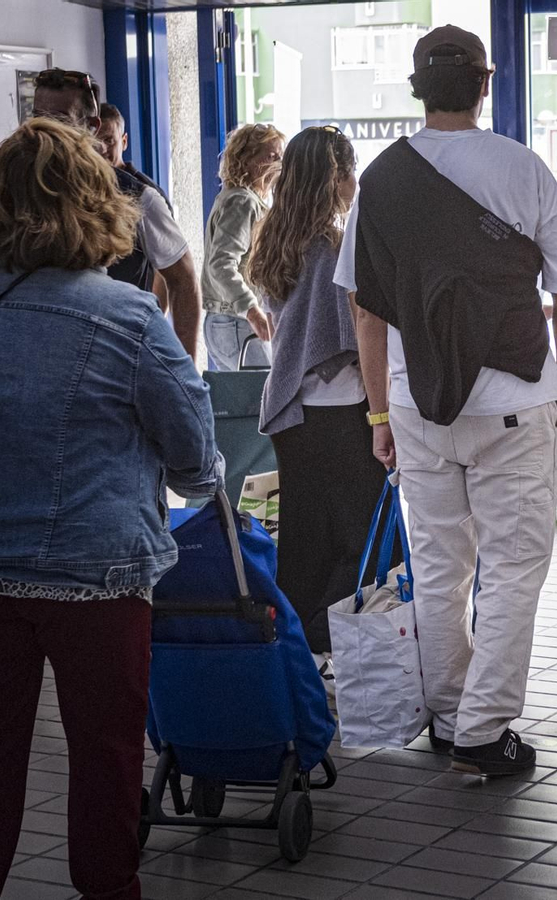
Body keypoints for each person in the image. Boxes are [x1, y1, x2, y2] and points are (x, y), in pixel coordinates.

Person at [0, 118, 220, 900]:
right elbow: (191, 452)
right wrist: (199, 476)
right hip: (95, 571)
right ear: (96, 203)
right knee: (107, 756)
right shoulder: (127, 316)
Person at [340, 25, 557, 776]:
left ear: (418, 88)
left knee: (441, 567)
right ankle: (483, 729)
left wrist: (381, 414)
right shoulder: (523, 167)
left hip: (419, 406)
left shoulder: (380, 180)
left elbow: (365, 310)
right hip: (516, 398)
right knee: (514, 567)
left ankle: (451, 716)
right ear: (484, 84)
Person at [244, 125, 386, 669]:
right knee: (359, 534)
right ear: (340, 178)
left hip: (292, 413)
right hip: (344, 410)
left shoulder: (274, 234)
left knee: (304, 538)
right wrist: (384, 412)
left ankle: (300, 652)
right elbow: (355, 334)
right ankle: (335, 644)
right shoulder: (335, 244)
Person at [30, 68, 203, 361]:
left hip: (115, 355)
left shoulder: (139, 197)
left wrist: (182, 367)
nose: (45, 130)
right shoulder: (17, 189)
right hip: (44, 353)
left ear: (92, 126)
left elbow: (183, 278)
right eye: (37, 116)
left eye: (60, 119)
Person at [203, 123, 285, 370]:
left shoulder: (234, 198)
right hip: (236, 322)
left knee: (242, 405)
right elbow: (221, 263)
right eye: (271, 156)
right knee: (263, 401)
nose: (279, 164)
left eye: (281, 156)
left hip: (225, 322)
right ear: (246, 159)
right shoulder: (242, 202)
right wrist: (252, 311)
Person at [95, 101, 174, 312]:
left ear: (124, 141)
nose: (101, 149)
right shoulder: (83, 187)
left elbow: (168, 269)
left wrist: (155, 318)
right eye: (94, 141)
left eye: (108, 140)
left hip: (132, 309)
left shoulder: (145, 194)